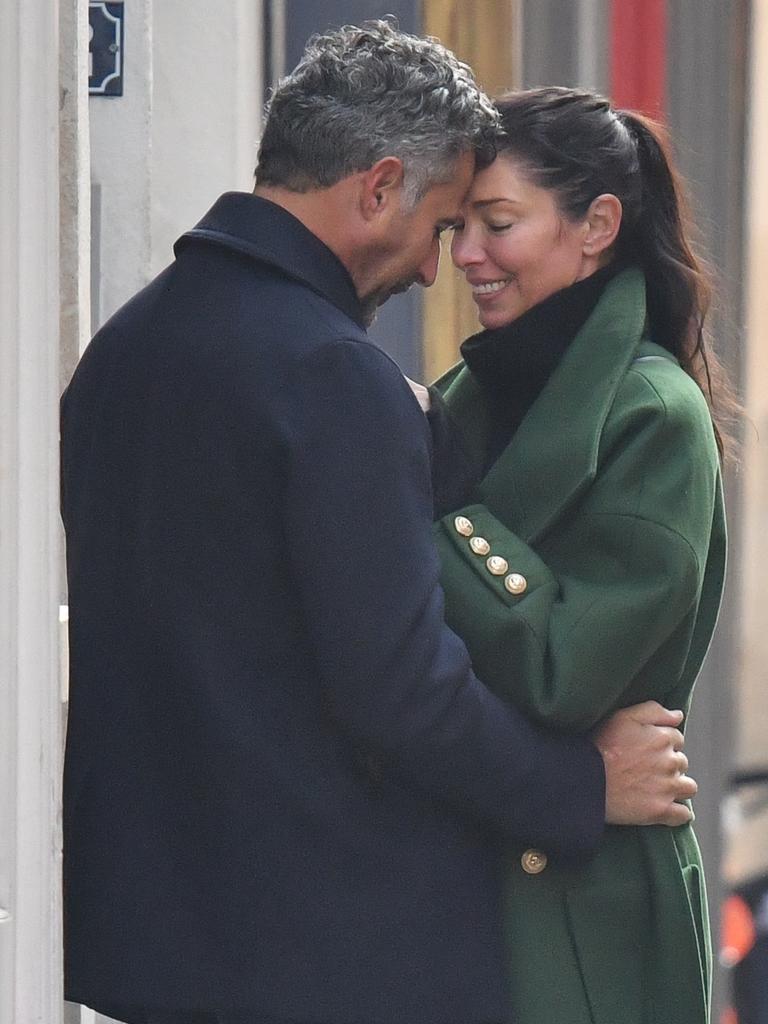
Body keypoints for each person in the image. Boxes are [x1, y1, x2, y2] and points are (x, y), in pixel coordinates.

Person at [61, 28, 695, 1024]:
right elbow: (403, 692)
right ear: (378, 187)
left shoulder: (121, 350)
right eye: (444, 225)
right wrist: (579, 787)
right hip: (330, 956)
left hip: (150, 954)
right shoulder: (334, 378)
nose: (437, 271)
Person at [423, 87, 729, 1024]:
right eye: (458, 224)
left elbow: (563, 671)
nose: (467, 254)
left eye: (498, 223)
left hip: (589, 912)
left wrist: (421, 512)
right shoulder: (471, 390)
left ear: (597, 225)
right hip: (469, 884)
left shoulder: (654, 416)